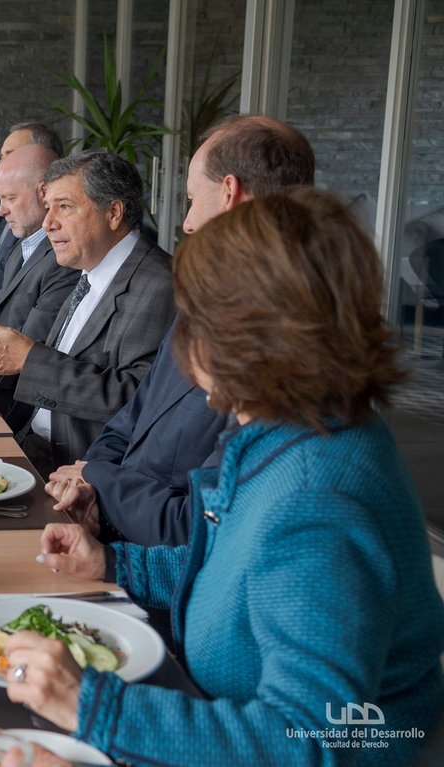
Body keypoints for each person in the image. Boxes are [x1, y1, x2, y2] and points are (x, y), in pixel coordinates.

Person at [5, 189, 444, 766]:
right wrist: (116, 565)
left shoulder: (318, 498)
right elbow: (234, 566)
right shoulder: (291, 427)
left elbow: (311, 742)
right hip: (206, 704)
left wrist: (90, 705)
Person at [46, 115, 316, 546]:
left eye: (192, 200)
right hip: (113, 530)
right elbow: (131, 417)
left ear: (230, 194)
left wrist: (100, 484)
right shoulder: (207, 297)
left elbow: (201, 526)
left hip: (158, 562)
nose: (186, 224)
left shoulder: (282, 340)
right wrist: (93, 486)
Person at [0, 150, 174, 473]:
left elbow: (135, 399)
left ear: (114, 212)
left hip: (76, 472)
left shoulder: (159, 284)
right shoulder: (91, 268)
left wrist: (28, 358)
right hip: (28, 441)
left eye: (64, 207)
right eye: (48, 207)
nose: (48, 223)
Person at [0, 143, 78, 431]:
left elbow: (28, 350)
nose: (1, 210)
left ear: (43, 192)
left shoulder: (64, 256)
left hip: (17, 405)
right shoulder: (20, 247)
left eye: (9, 198)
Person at [0, 121, 71, 323]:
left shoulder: (66, 250)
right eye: (3, 156)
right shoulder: (21, 241)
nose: (1, 210)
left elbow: (32, 339)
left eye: (10, 198)